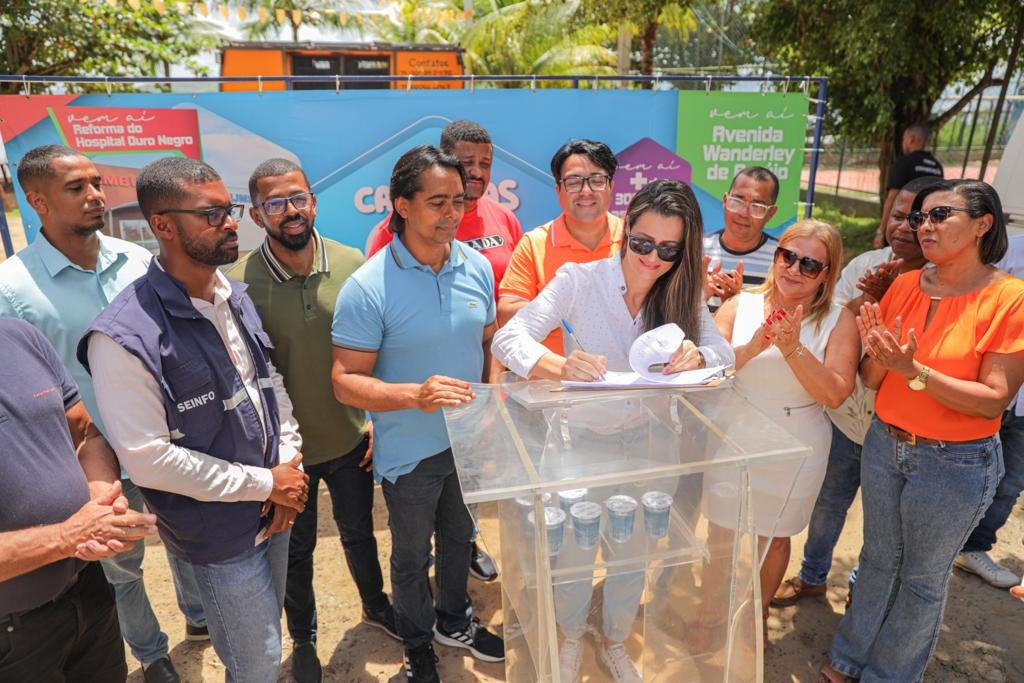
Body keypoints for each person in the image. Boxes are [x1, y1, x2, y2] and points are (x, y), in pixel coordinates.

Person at [492, 179, 735, 682]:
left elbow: (724, 355)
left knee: (633, 556)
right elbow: (508, 338)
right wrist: (558, 366)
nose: (652, 258)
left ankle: (615, 639)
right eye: (642, 243)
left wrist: (699, 355)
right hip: (579, 445)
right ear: (625, 232)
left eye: (668, 249)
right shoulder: (578, 280)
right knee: (575, 556)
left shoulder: (681, 292)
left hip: (651, 446)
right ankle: (569, 638)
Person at [79, 157, 311, 683]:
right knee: (256, 663)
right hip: (219, 534)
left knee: (263, 645)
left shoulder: (232, 295)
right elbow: (149, 459)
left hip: (274, 506)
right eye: (212, 214)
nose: (230, 224)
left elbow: (268, 386)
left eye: (230, 210)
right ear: (163, 225)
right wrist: (266, 483)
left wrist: (287, 469)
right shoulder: (122, 337)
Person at [0, 144, 206, 683]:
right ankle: (151, 653)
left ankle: (199, 618)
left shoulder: (138, 261)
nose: (95, 195)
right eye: (77, 188)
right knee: (119, 567)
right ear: (37, 201)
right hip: (95, 466)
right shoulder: (12, 290)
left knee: (186, 540)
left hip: (167, 441)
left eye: (96, 183)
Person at [822, 179, 1024, 683]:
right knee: (876, 560)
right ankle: (849, 659)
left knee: (921, 579)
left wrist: (915, 371)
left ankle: (888, 675)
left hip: (954, 462)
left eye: (939, 215)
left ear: (982, 224)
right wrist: (877, 350)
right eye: (918, 217)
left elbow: (994, 399)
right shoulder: (906, 285)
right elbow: (873, 378)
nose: (923, 226)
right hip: (885, 445)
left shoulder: (1010, 298)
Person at [331, 145, 504, 683]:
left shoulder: (476, 266)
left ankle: (454, 621)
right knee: (411, 556)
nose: (452, 213)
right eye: (437, 202)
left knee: (460, 539)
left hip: (466, 443)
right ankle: (415, 642)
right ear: (402, 206)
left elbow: (488, 342)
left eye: (458, 200)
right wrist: (415, 396)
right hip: (409, 452)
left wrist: (490, 403)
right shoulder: (368, 286)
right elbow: (344, 381)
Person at [227, 157, 397, 683]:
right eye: (275, 203)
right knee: (295, 551)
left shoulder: (354, 264)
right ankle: (303, 639)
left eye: (297, 198)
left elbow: (381, 348)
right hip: (286, 456)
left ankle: (375, 604)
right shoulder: (236, 283)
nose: (290, 210)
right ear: (257, 215)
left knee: (359, 533)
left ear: (314, 203)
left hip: (351, 439)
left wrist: (378, 420)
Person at [771, 176, 938, 608]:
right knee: (829, 503)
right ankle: (812, 576)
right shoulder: (868, 265)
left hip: (900, 423)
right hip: (847, 415)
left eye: (916, 219)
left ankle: (863, 591)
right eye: (897, 216)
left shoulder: (939, 283)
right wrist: (869, 298)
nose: (903, 227)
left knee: (885, 518)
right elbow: (829, 318)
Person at [366, 119, 518, 581]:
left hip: (479, 386)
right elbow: (375, 329)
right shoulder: (390, 234)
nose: (477, 172)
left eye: (486, 163)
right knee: (415, 529)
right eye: (467, 162)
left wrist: (494, 389)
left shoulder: (504, 219)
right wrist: (375, 415)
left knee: (465, 493)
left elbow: (501, 312)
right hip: (417, 411)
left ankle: (466, 545)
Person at [711, 219, 859, 636]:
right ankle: (709, 611)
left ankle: (755, 616)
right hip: (733, 432)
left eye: (809, 264)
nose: (794, 268)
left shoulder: (839, 321)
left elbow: (835, 394)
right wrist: (755, 345)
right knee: (721, 532)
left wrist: (793, 348)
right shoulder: (738, 305)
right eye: (787, 256)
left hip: (797, 441)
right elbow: (710, 372)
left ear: (827, 274)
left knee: (773, 538)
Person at [0, 316, 159, 681]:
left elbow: (86, 432)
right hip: (12, 636)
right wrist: (67, 536)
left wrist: (103, 497)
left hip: (89, 593)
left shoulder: (20, 335)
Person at [497, 138, 623, 353]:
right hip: (552, 372)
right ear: (558, 190)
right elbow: (506, 314)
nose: (586, 191)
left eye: (596, 180)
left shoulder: (635, 241)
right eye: (574, 182)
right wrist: (564, 306)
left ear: (611, 186)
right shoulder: (534, 244)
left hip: (621, 371)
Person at [952, 232, 1024, 589]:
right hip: (982, 389)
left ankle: (973, 548)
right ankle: (938, 544)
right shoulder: (1012, 248)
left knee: (1010, 483)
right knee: (957, 473)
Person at [703, 166, 780, 310]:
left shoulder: (781, 260)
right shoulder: (696, 249)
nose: (744, 213)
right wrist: (699, 297)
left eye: (757, 206)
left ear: (770, 214)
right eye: (737, 201)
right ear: (725, 201)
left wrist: (735, 304)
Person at [874, 123, 944, 248]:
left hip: (903, 226)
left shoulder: (904, 162)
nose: (902, 142)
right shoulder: (936, 166)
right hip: (924, 227)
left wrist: (881, 231)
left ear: (911, 139)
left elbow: (892, 198)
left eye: (903, 138)